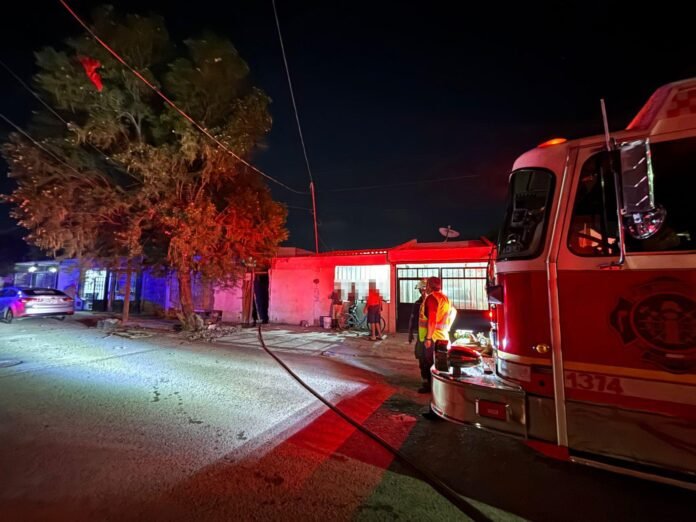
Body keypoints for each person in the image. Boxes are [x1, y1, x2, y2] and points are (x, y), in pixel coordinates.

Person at [420, 276, 457, 419]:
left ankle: (436, 409)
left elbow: (432, 319)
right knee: (441, 373)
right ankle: (442, 407)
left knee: (433, 374)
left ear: (429, 286)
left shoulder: (432, 298)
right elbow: (454, 313)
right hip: (444, 338)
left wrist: (428, 338)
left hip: (434, 339)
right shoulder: (445, 299)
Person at [408, 279, 429, 393]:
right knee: (422, 359)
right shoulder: (417, 303)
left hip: (432, 337)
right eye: (422, 290)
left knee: (430, 360)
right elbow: (412, 318)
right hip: (422, 337)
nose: (423, 292)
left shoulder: (434, 302)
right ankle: (426, 383)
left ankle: (432, 383)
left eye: (424, 289)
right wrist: (410, 332)